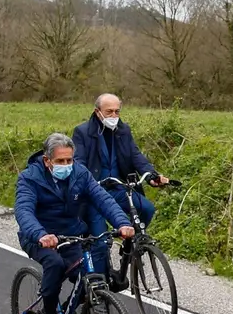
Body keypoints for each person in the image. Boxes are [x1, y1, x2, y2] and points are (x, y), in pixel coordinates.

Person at [14, 133, 135, 314]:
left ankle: (67, 309)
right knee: (54, 263)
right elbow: (23, 210)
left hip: (72, 235)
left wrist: (122, 223)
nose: (66, 165)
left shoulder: (80, 173)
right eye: (60, 161)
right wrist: (41, 234)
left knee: (92, 270)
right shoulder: (30, 178)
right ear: (47, 160)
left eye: (69, 160)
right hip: (39, 237)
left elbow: (102, 198)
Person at [72, 93, 169, 290]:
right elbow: (78, 163)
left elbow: (136, 156)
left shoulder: (123, 131)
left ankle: (129, 246)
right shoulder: (82, 132)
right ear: (97, 112)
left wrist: (151, 175)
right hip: (95, 193)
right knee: (99, 241)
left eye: (117, 111)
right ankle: (98, 287)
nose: (114, 115)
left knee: (147, 209)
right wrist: (88, 183)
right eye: (109, 111)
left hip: (118, 188)